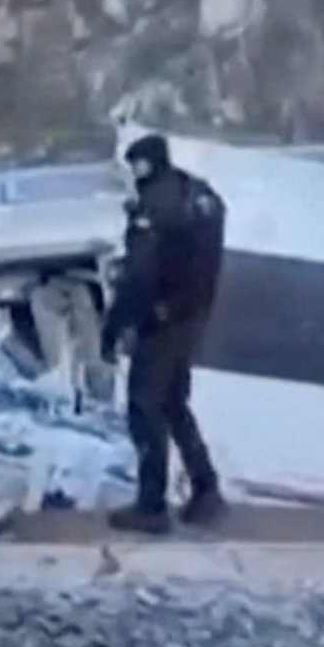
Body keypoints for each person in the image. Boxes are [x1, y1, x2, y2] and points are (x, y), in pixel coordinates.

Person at [103, 134, 230, 535]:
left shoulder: (154, 206)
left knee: (145, 407)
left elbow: (140, 275)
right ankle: (206, 488)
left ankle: (151, 504)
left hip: (158, 320)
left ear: (145, 164)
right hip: (191, 317)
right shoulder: (200, 195)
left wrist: (114, 327)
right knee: (174, 403)